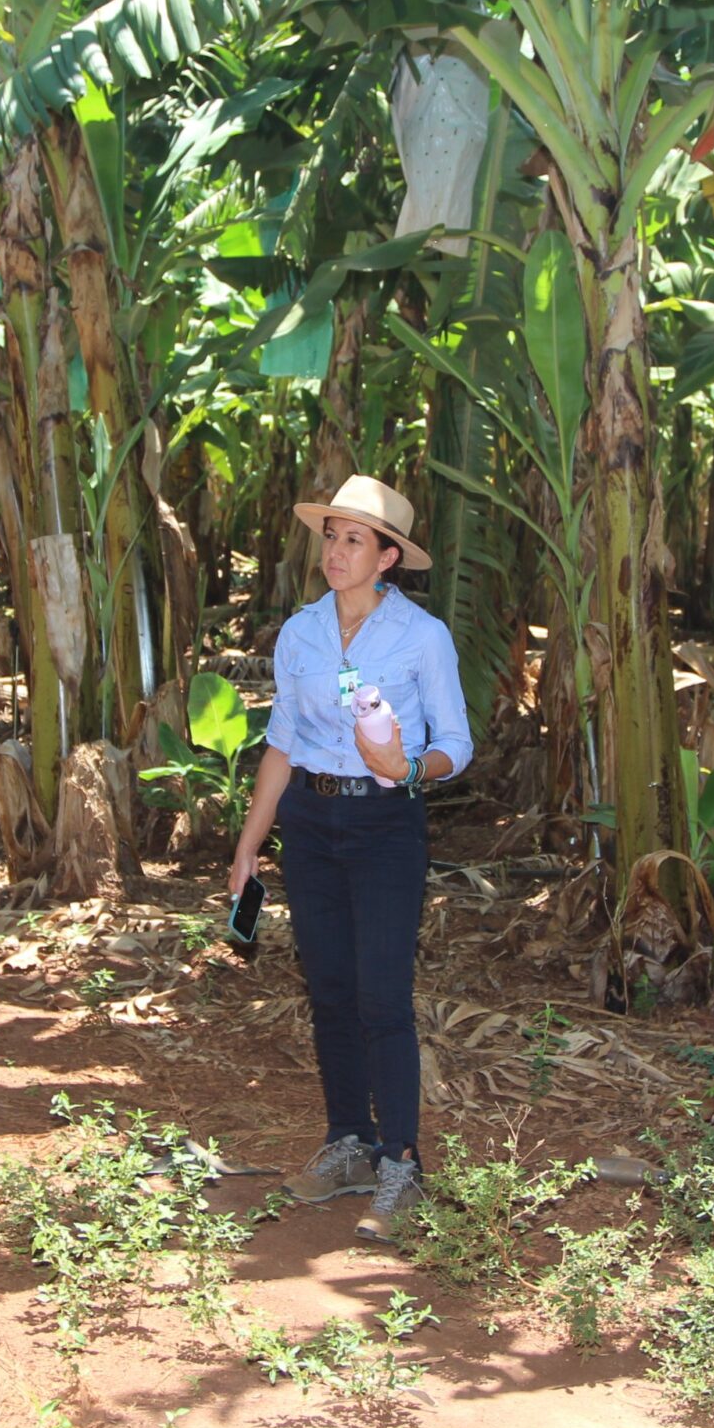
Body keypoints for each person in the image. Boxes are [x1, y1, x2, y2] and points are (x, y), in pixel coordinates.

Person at [230, 476, 473, 1244]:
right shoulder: (300, 633)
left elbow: (456, 745)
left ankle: (401, 1160)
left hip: (383, 825)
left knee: (381, 996)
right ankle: (349, 1143)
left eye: (354, 540)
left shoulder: (421, 637)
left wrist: (407, 767)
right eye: (330, 535)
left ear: (388, 557)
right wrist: (247, 847)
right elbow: (280, 745)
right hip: (310, 818)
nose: (335, 552)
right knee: (329, 989)